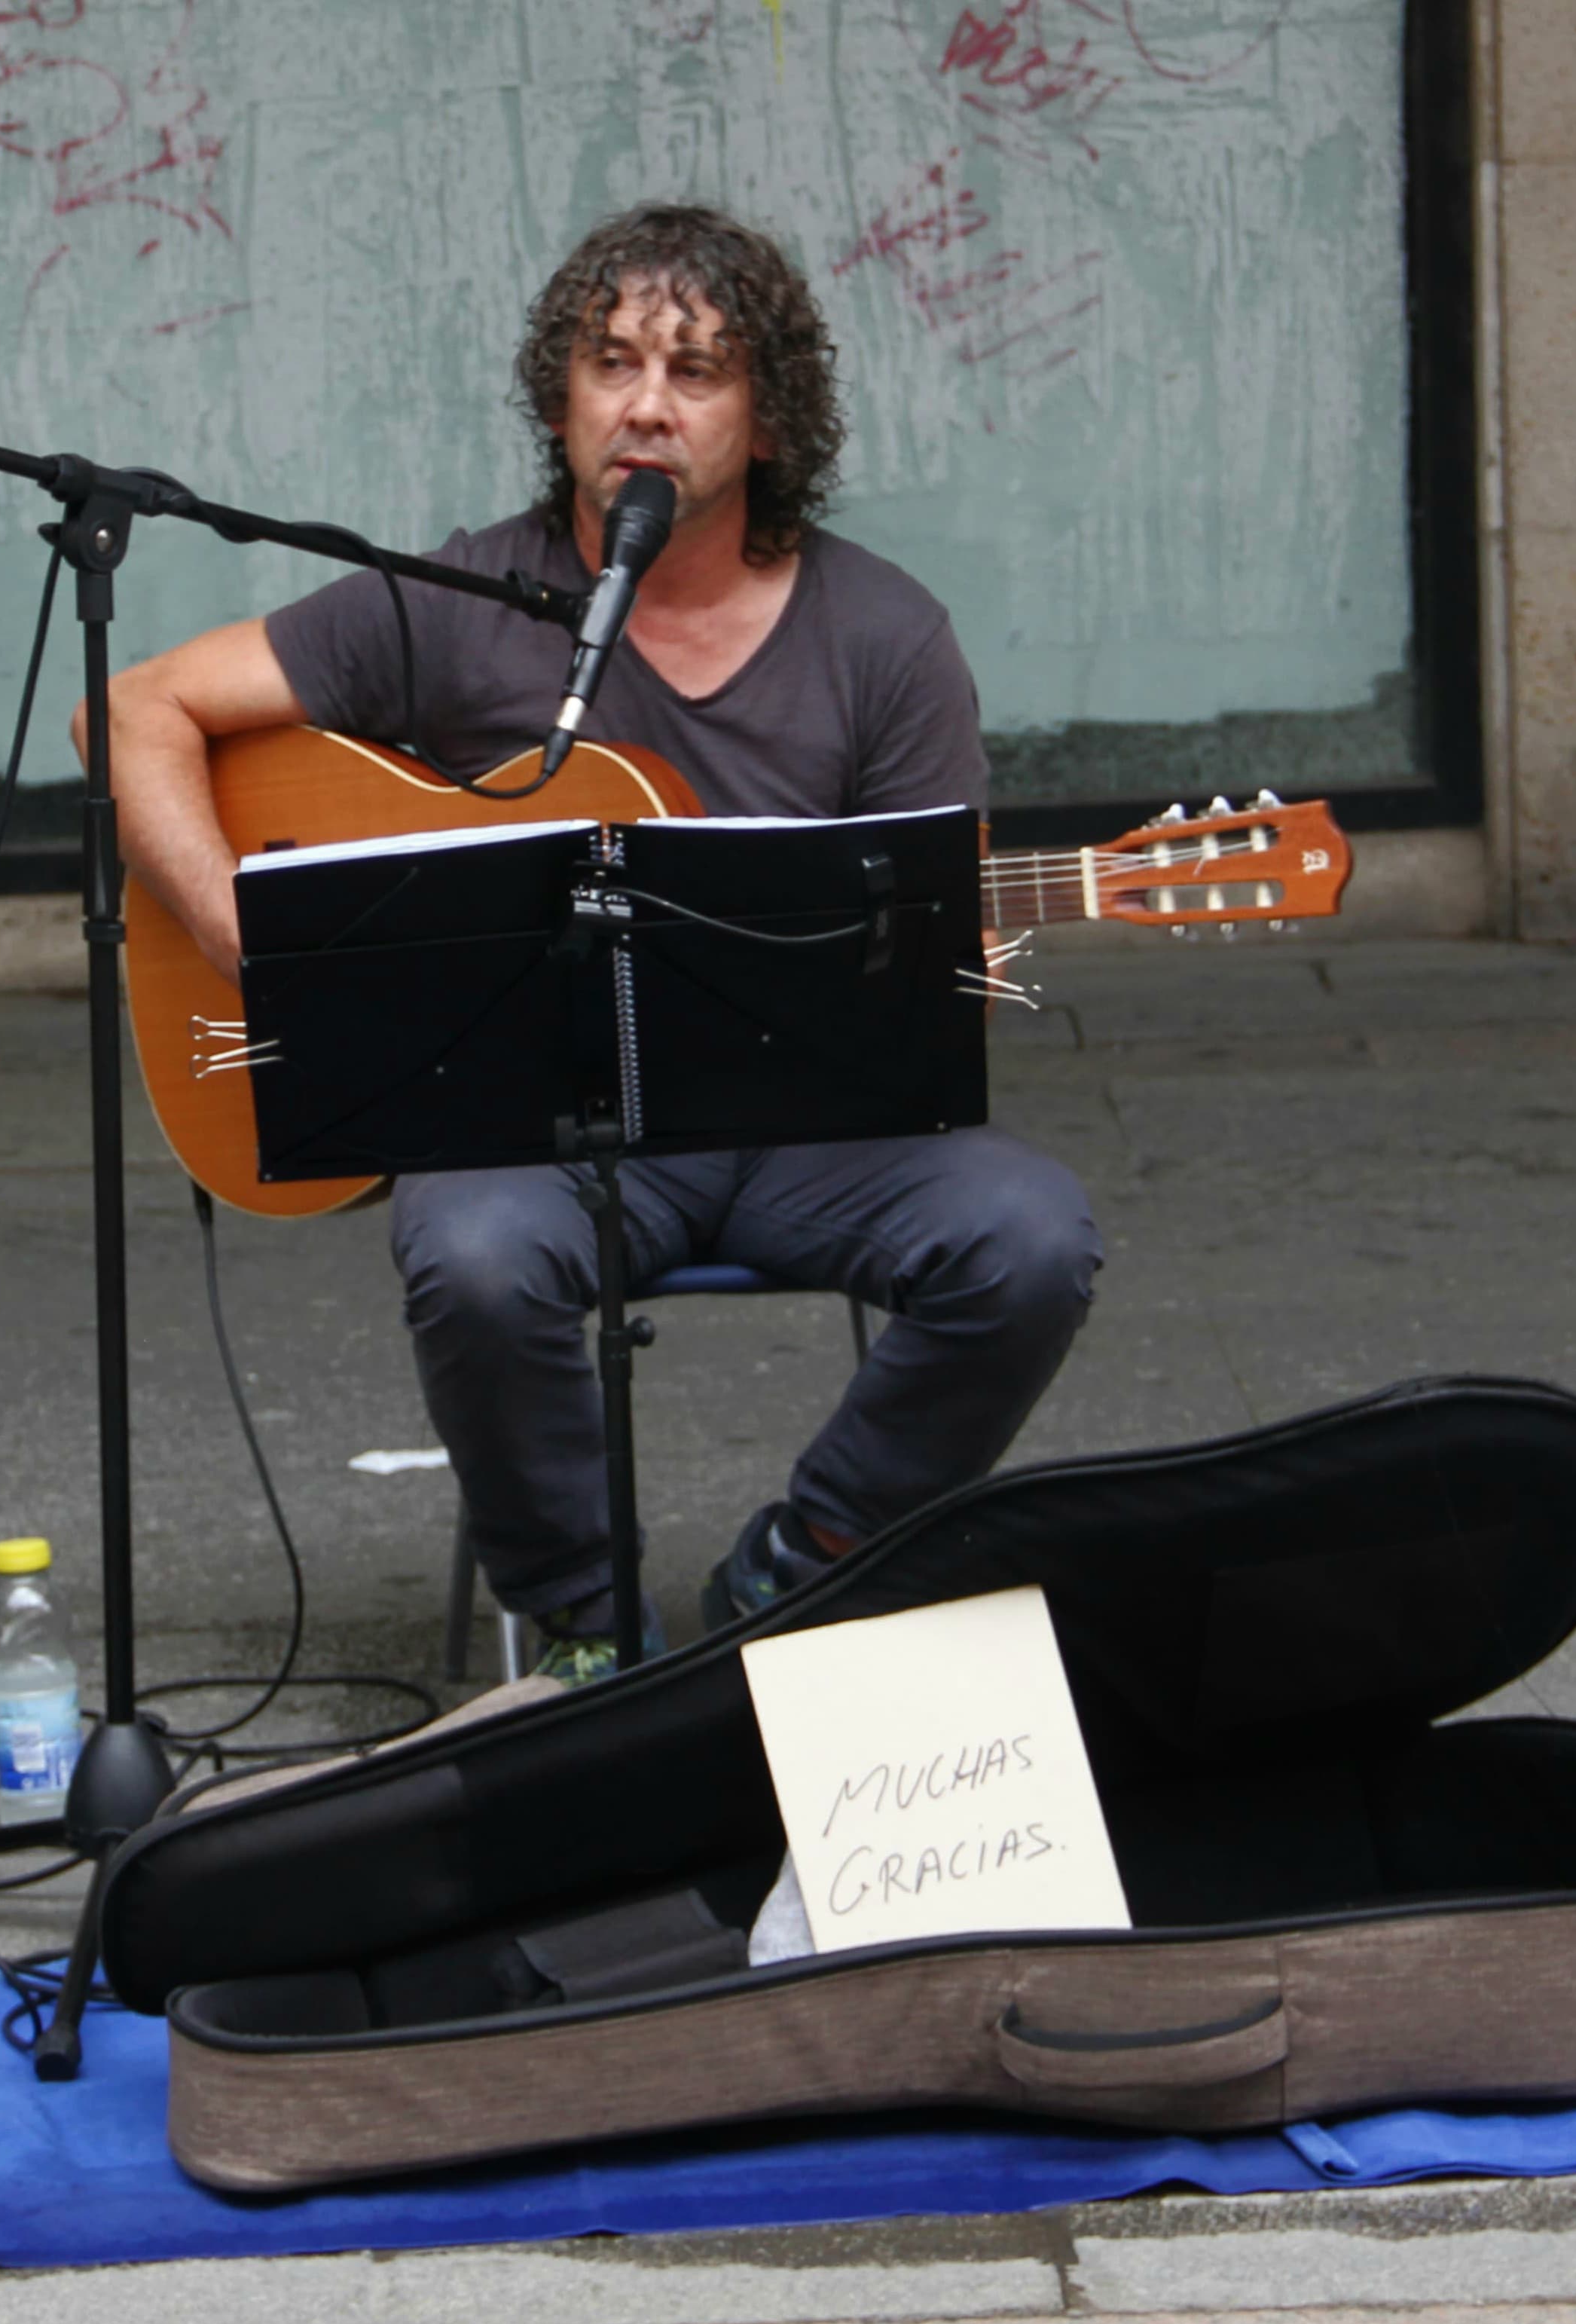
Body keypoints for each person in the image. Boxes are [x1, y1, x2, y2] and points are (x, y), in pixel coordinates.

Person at [100, 203, 1101, 1680]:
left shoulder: (883, 637)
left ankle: (808, 1562)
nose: (644, 401)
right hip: (534, 1123)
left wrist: (947, 960)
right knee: (473, 1253)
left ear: (765, 423)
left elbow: (925, 957)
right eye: (611, 361)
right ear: (557, 399)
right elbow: (129, 712)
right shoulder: (457, 603)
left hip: (798, 1127)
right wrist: (259, 933)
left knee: (1028, 1235)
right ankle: (576, 1621)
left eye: (695, 371)